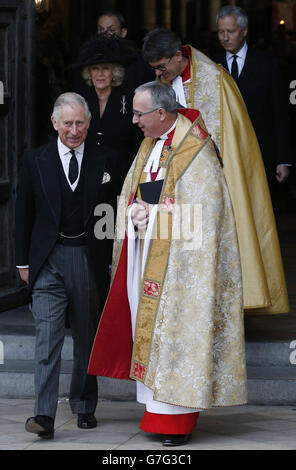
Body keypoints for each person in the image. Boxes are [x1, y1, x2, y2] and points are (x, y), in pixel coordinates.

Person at [88, 81, 248, 446]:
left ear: (161, 113)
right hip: (147, 257)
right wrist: (133, 214)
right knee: (152, 337)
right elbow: (135, 191)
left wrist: (154, 217)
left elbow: (207, 218)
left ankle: (177, 422)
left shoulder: (197, 151)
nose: (134, 121)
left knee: (174, 340)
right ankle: (156, 415)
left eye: (139, 114)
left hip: (180, 270)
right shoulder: (150, 145)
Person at [141, 27, 289, 316]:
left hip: (212, 182)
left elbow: (234, 141)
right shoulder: (162, 82)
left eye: (162, 67)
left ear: (176, 56)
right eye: (155, 69)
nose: (160, 75)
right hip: (175, 182)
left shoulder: (216, 80)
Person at [15, 92, 118, 439]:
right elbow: (23, 213)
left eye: (80, 123)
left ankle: (84, 405)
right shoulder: (35, 159)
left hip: (88, 256)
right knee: (47, 336)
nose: (73, 131)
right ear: (54, 123)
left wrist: (111, 260)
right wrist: (22, 262)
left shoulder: (107, 159)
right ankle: (44, 414)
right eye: (67, 123)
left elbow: (113, 213)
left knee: (87, 335)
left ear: (89, 124)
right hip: (47, 259)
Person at [213, 5, 293, 190]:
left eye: (231, 31)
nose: (225, 37)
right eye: (220, 32)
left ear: (244, 31)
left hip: (261, 153)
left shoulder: (268, 65)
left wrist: (284, 160)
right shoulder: (212, 65)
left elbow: (280, 115)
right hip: (224, 157)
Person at [71, 34, 143, 185]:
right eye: (95, 69)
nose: (100, 74)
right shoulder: (80, 100)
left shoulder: (129, 99)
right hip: (86, 174)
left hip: (122, 175)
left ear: (115, 72)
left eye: (105, 68)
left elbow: (138, 140)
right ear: (89, 73)